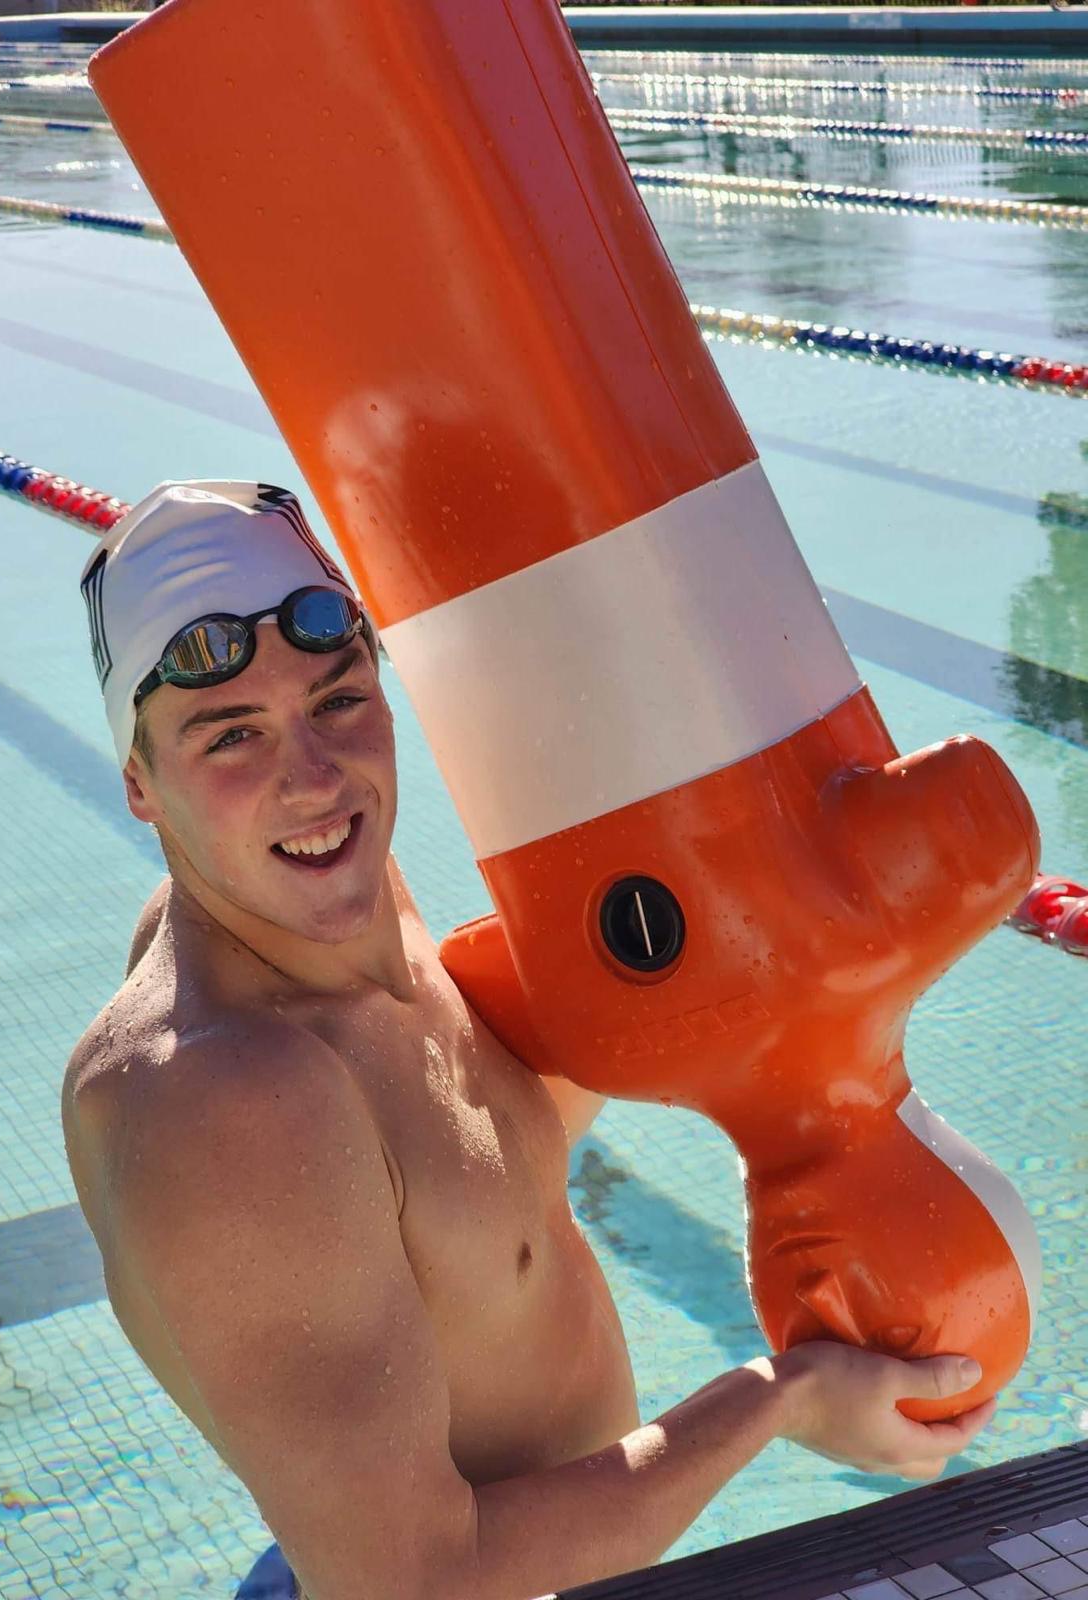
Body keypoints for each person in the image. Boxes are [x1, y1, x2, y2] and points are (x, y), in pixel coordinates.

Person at [63, 480, 998, 1600]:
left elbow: (463, 1163)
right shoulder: (229, 1109)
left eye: (337, 700)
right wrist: (782, 1397)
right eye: (232, 735)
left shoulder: (321, 902)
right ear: (138, 783)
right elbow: (410, 1579)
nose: (313, 779)